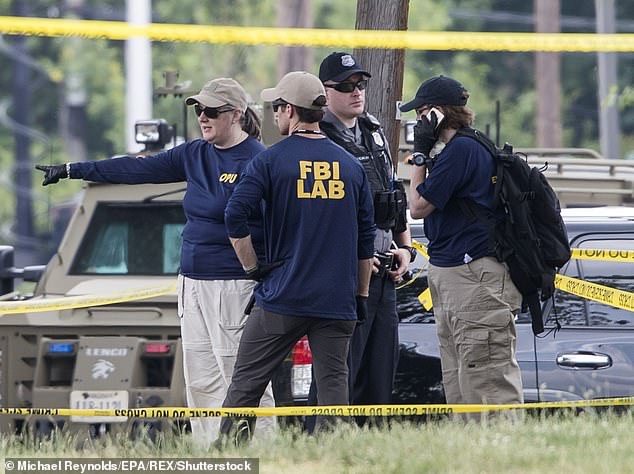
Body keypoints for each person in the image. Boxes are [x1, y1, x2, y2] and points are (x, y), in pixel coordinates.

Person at [35, 77, 276, 445]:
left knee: (241, 376)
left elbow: (282, 225)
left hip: (234, 285)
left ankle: (266, 455)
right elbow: (134, 170)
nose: (203, 117)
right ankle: (215, 458)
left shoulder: (259, 160)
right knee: (201, 379)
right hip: (191, 284)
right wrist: (73, 169)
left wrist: (265, 275)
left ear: (237, 115)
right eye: (198, 110)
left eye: (211, 111)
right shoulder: (194, 154)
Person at [216, 71, 376, 446]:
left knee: (246, 387)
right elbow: (365, 240)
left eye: (276, 108)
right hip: (338, 300)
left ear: (290, 111)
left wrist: (253, 267)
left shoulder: (271, 161)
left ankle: (227, 459)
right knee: (335, 389)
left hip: (283, 297)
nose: (274, 116)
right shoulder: (351, 166)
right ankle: (337, 462)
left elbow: (234, 216)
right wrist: (361, 296)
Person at [400, 75, 523, 408]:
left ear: (440, 113)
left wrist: (420, 154)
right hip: (454, 271)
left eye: (422, 112)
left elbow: (418, 206)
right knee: (459, 377)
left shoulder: (463, 149)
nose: (418, 121)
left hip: (473, 276)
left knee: (487, 378)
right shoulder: (457, 150)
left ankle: (502, 451)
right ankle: (471, 452)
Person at [314, 52, 416, 417]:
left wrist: (406, 248)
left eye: (360, 84)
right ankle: (326, 442)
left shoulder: (373, 131)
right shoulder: (319, 139)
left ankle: (369, 444)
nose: (356, 92)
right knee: (341, 372)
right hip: (345, 275)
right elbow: (320, 218)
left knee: (379, 371)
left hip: (385, 269)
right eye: (345, 86)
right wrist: (355, 256)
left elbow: (393, 193)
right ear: (324, 94)